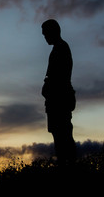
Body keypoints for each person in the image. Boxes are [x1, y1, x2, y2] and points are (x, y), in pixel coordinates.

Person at [41, 19, 76, 164]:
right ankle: (65, 164)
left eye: (45, 34)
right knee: (59, 135)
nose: (44, 37)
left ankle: (67, 166)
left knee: (63, 136)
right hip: (56, 100)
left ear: (53, 32)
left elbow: (58, 77)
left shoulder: (61, 48)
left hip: (59, 101)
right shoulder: (58, 49)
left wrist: (48, 88)